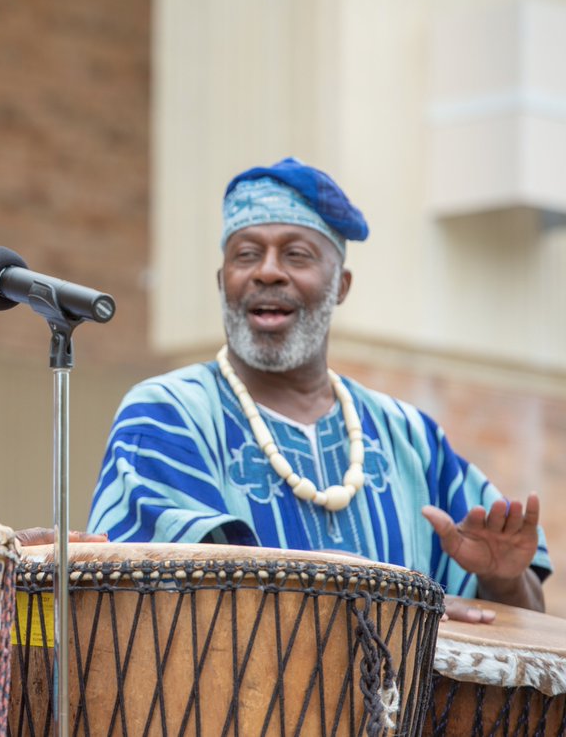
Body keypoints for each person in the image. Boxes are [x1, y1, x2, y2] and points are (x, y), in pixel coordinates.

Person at [87, 157, 551, 621]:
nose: (268, 272)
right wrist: (380, 603)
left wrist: (503, 579)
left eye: (296, 255)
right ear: (222, 282)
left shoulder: (410, 438)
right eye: (246, 254)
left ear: (340, 285)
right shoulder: (167, 415)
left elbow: (518, 616)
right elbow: (154, 606)